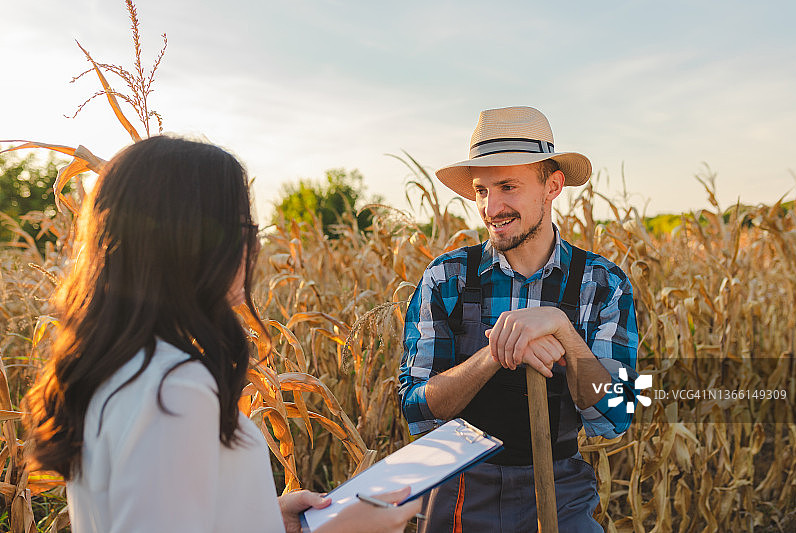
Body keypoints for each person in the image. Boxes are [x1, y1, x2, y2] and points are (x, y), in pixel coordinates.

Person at [23, 136, 421, 533]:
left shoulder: (116, 368)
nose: (255, 245)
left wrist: (265, 517)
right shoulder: (173, 389)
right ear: (188, 243)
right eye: (245, 227)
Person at [399, 106, 639, 532]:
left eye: (508, 186)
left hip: (561, 491)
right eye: (481, 190)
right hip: (461, 486)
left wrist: (563, 331)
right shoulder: (447, 278)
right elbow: (418, 408)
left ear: (553, 186)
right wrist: (497, 353)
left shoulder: (602, 284)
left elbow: (615, 418)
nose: (491, 207)